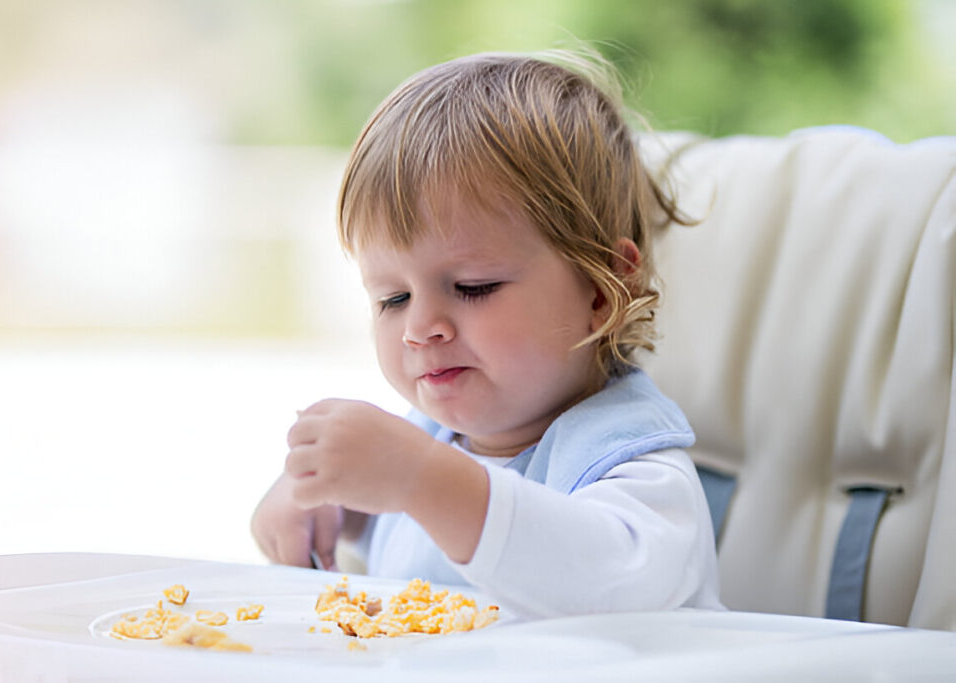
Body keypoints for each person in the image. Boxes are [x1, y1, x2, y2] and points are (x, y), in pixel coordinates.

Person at [251, 49, 722, 618]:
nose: (421, 328)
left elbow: (606, 583)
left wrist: (423, 478)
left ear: (600, 292)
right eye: (392, 299)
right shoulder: (429, 441)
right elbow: (383, 502)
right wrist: (313, 499)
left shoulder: (634, 466)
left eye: (473, 286)